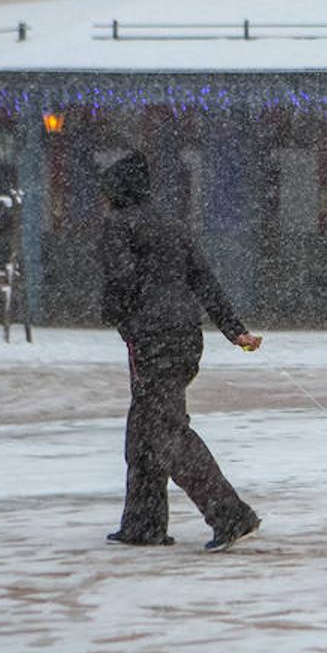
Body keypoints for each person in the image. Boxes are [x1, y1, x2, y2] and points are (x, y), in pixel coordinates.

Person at [99, 150, 264, 551]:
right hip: (186, 336)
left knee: (166, 431)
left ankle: (230, 515)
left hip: (152, 339)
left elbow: (120, 281)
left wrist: (116, 314)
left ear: (118, 190)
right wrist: (234, 330)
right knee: (143, 431)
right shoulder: (172, 225)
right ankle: (142, 523)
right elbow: (204, 280)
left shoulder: (120, 226)